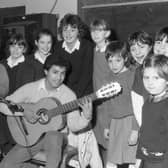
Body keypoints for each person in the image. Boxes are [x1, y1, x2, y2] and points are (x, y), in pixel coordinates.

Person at [0, 55, 93, 168]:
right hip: (31, 137)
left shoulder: (69, 95)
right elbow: (4, 104)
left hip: (57, 139)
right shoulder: (31, 88)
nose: (59, 77)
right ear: (46, 71)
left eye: (62, 73)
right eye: (55, 72)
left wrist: (86, 117)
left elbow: (73, 125)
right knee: (6, 164)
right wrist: (23, 112)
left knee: (53, 135)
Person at [101, 41, 136, 168]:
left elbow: (137, 106)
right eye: (110, 61)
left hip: (129, 121)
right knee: (113, 159)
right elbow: (107, 104)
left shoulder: (132, 76)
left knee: (131, 159)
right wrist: (106, 125)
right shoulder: (107, 78)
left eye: (117, 60)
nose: (113, 65)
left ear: (125, 58)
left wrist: (135, 130)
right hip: (115, 123)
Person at [0, 33, 37, 155]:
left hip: (19, 108)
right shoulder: (2, 64)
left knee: (17, 144)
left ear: (25, 48)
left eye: (20, 46)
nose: (16, 50)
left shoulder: (30, 64)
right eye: (13, 46)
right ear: (8, 47)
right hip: (2, 107)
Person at [136, 54, 168, 168]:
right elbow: (146, 130)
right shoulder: (150, 100)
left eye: (156, 78)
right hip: (147, 158)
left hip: (162, 161)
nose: (150, 82)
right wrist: (140, 156)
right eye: (146, 77)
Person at [54, 13, 94, 98]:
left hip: (84, 94)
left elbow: (86, 75)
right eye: (65, 30)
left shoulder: (88, 47)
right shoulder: (57, 48)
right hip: (63, 93)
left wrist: (73, 96)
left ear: (79, 31)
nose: (68, 34)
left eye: (72, 30)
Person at [89, 18, 111, 165]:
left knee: (110, 142)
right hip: (97, 102)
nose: (96, 34)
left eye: (100, 30)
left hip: (110, 101)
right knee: (98, 142)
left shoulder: (112, 51)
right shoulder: (94, 49)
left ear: (107, 33)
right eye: (93, 30)